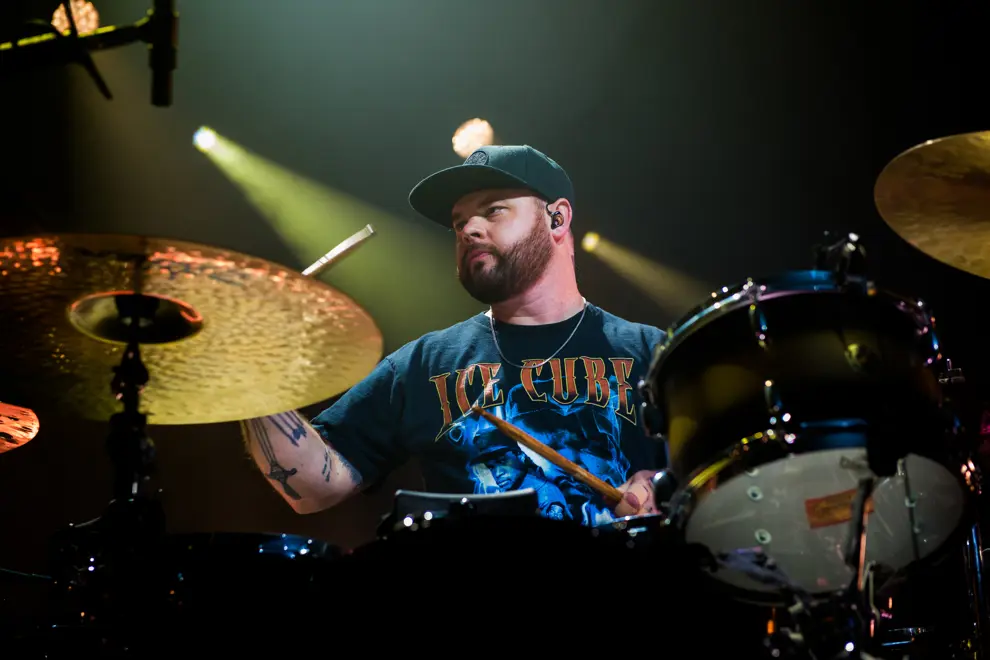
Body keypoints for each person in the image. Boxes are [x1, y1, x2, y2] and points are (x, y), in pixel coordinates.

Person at [240, 145, 667, 526]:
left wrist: (664, 485)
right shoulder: (425, 364)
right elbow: (313, 487)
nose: (468, 230)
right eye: (459, 222)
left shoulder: (650, 351)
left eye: (493, 210)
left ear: (557, 218)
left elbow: (721, 475)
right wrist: (247, 368)